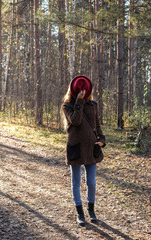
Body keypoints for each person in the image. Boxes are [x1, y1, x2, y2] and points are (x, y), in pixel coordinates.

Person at [61, 75, 106, 226]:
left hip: (91, 148)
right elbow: (76, 121)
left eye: (84, 91)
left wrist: (102, 139)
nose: (82, 93)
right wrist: (79, 101)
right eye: (80, 91)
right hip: (75, 148)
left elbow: (97, 125)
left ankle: (91, 210)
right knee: (76, 182)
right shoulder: (67, 106)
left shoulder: (93, 105)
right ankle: (80, 213)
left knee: (91, 183)